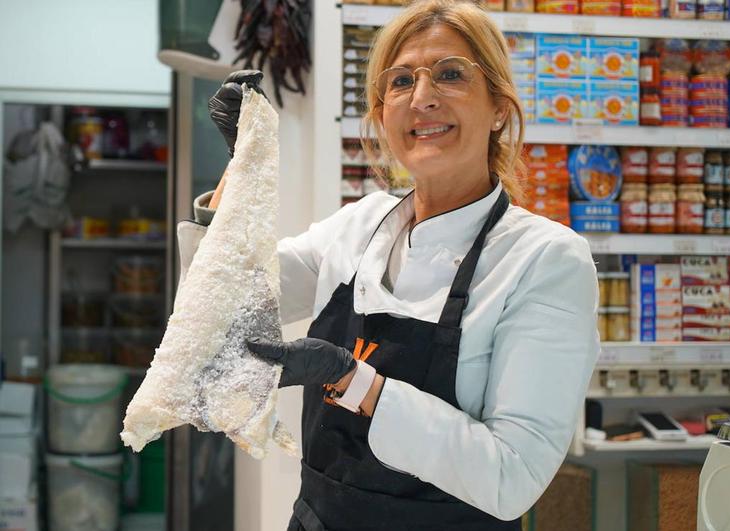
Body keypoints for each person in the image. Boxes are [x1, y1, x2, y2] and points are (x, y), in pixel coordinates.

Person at [179, 0, 600, 529]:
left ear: (498, 108)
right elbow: (215, 311)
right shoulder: (361, 225)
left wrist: (355, 381)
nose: (422, 97)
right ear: (381, 115)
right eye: (400, 82)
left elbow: (512, 478)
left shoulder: (544, 259)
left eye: (450, 74)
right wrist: (240, 176)